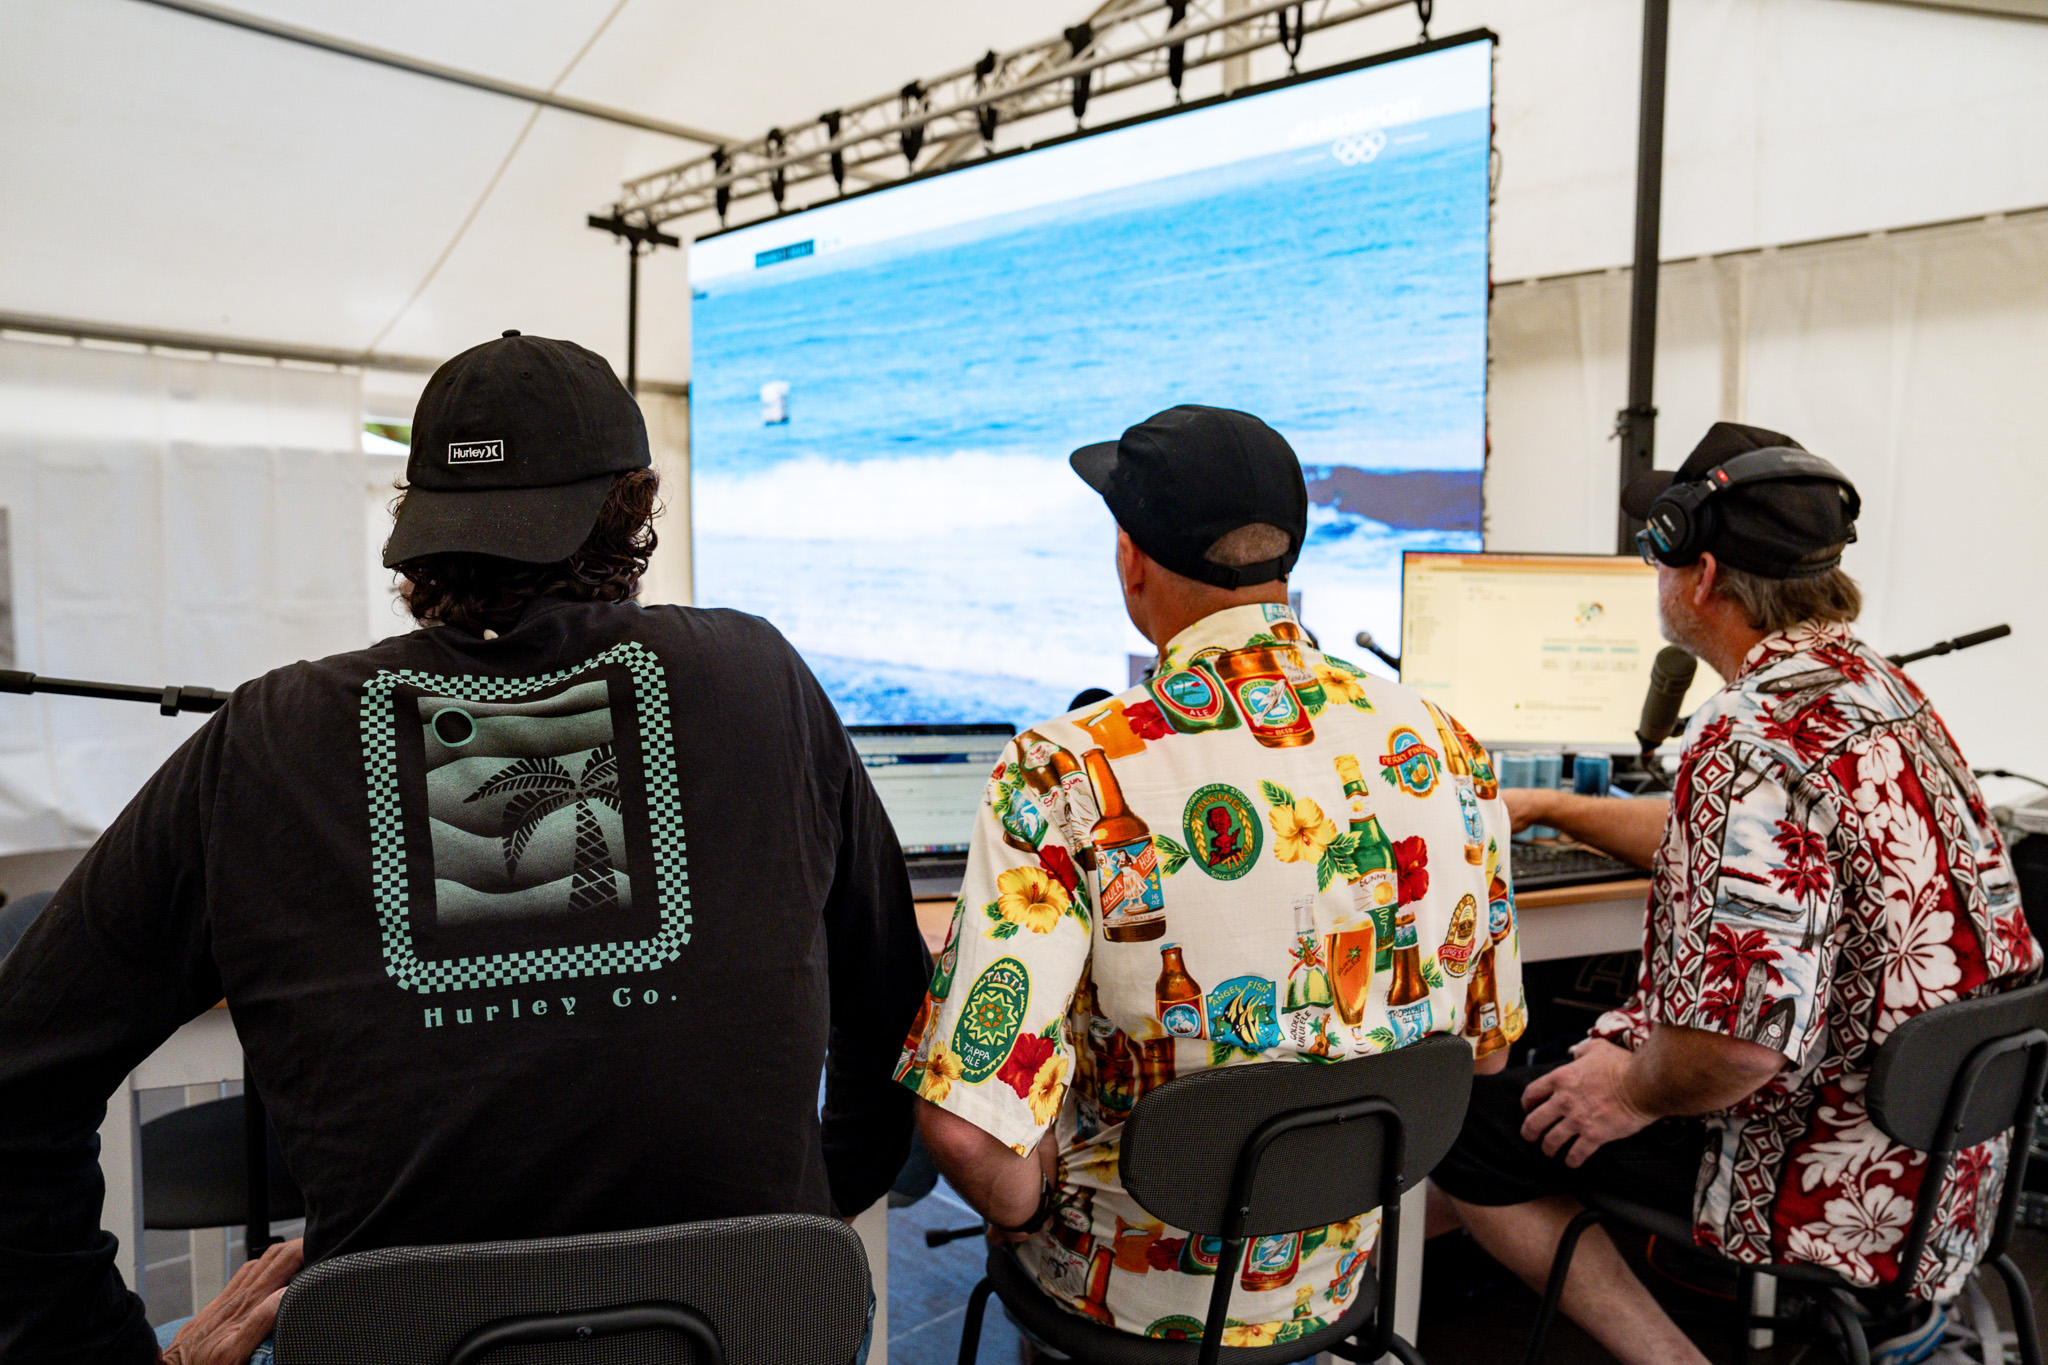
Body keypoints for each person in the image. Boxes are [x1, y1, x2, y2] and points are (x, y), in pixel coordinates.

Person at [0, 331, 930, 1362]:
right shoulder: (760, 682)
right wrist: (801, 1231)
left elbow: (16, 1073)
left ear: (421, 532)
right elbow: (899, 1013)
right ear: (634, 513)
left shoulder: (267, 740)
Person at [900, 405, 1524, 1345]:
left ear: (1131, 558)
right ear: (1290, 559)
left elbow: (968, 1128)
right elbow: (1487, 1053)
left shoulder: (1068, 770)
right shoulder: (1447, 747)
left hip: (1127, 1295)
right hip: (1335, 1283)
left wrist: (1024, 1214)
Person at [1430, 422, 2040, 1365]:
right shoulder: (1875, 690)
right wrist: (1557, 808)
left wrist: (1628, 1091)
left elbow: (1731, 1051)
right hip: (1939, 1172)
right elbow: (1741, 841)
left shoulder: (1747, 737)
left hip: (1821, 1181)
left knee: (1471, 1126)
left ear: (1701, 574)